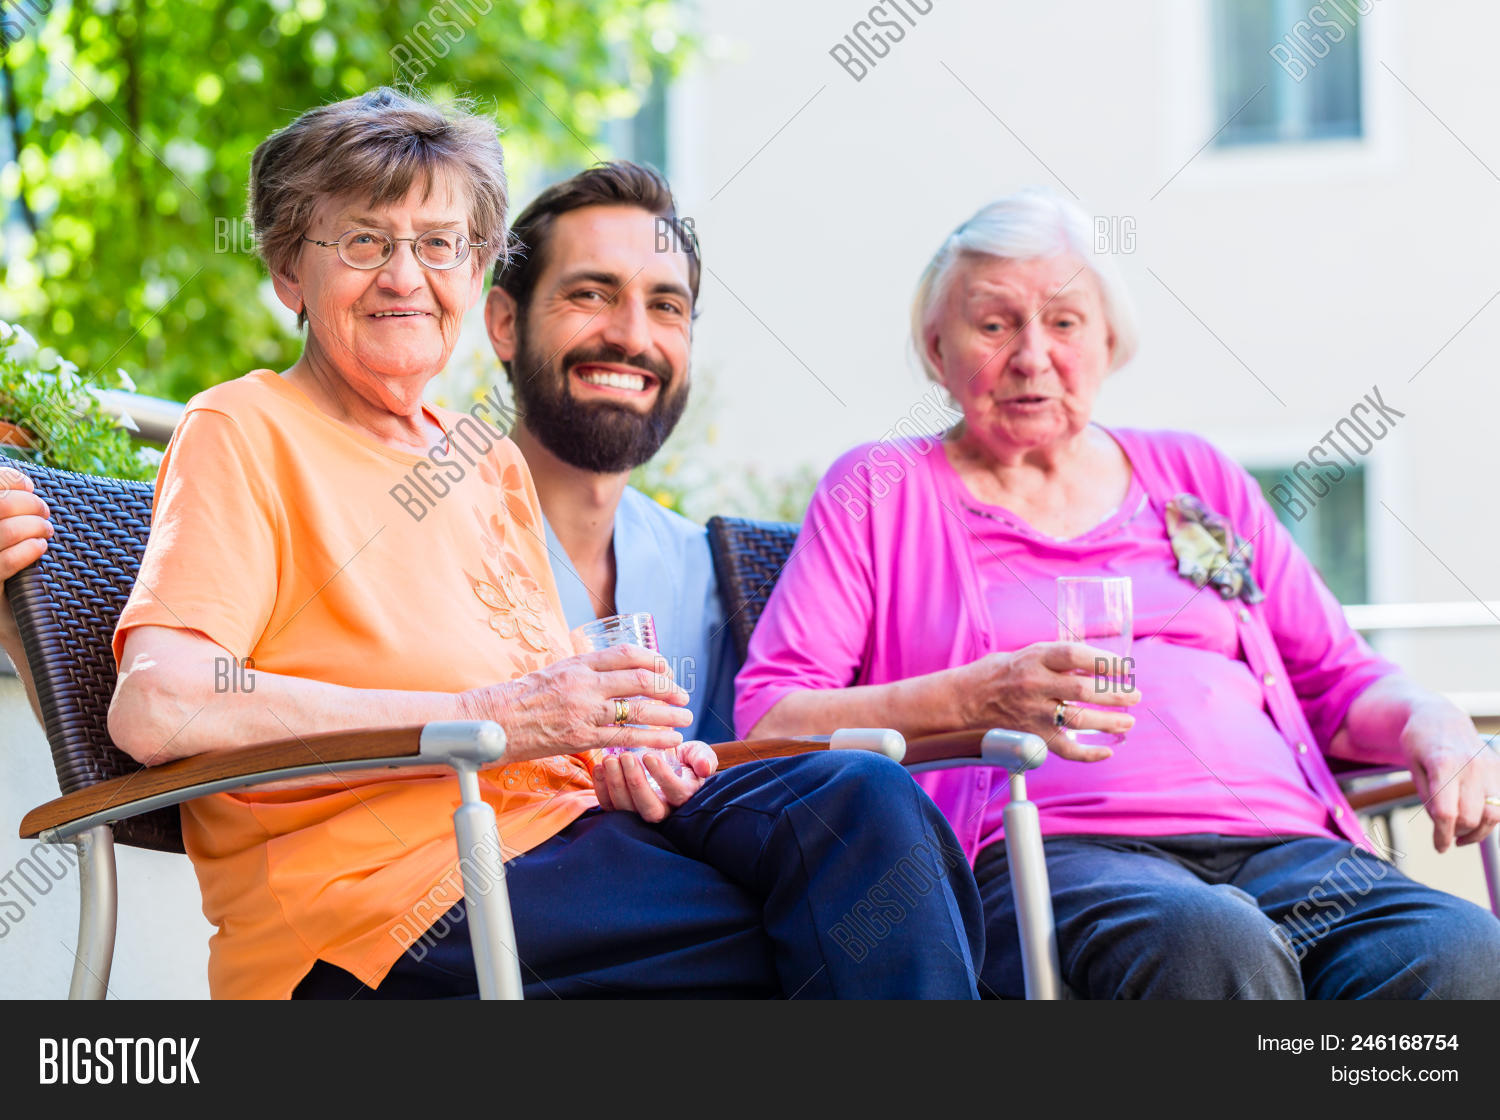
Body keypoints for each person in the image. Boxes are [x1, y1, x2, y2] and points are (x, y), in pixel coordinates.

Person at [0, 89, 984, 999]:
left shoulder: (480, 460)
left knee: (861, 805)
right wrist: (487, 713)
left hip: (568, 839)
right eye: (362, 243)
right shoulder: (246, 428)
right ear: (286, 270)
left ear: (474, 275)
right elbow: (162, 705)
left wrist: (614, 760)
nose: (404, 277)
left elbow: (544, 724)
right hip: (395, 898)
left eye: (440, 245)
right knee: (831, 933)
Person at [736, 188, 1500, 999]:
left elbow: (1339, 681)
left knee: (1460, 951)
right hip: (1053, 857)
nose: (1032, 356)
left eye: (1064, 323)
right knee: (1211, 942)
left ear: (1110, 342)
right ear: (936, 348)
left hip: (1292, 848)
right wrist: (976, 696)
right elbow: (771, 719)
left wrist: (1434, 718)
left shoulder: (1195, 475)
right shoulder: (882, 487)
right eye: (994, 324)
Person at [486, 161, 736, 744]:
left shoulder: (710, 575)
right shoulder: (419, 542)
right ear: (504, 323)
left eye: (667, 306)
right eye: (592, 294)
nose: (632, 336)